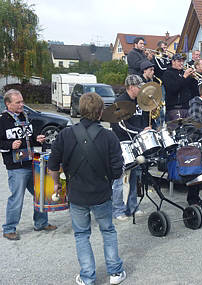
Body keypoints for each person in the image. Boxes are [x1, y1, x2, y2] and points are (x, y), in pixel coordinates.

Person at [48, 92, 126, 285]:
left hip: (77, 196)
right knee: (107, 231)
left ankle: (87, 277)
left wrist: (57, 183)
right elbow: (117, 172)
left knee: (82, 235)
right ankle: (115, 273)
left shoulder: (65, 134)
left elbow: (52, 166)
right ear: (100, 112)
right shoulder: (109, 137)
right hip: (101, 194)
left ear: (80, 110)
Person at [0, 89, 57, 241]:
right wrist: (10, 144)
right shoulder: (2, 120)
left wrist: (36, 139)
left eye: (22, 101)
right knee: (17, 198)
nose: (22, 104)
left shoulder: (25, 116)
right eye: (18, 102)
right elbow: (2, 142)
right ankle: (9, 229)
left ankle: (41, 223)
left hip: (31, 162)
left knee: (40, 193)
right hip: (15, 167)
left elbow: (28, 139)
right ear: (8, 104)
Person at [111, 75, 150, 220]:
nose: (141, 89)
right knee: (120, 179)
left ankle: (132, 207)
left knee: (134, 177)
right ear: (131, 87)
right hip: (122, 144)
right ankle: (118, 210)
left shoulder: (140, 102)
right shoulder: (120, 102)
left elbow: (144, 119)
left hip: (135, 143)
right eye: (139, 86)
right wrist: (140, 132)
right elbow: (120, 125)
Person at [162, 53, 194, 121]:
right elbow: (173, 89)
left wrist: (193, 78)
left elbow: (193, 90)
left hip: (186, 107)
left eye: (183, 61)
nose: (182, 63)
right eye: (179, 61)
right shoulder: (167, 73)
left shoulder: (183, 73)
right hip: (174, 108)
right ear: (173, 61)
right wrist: (184, 77)